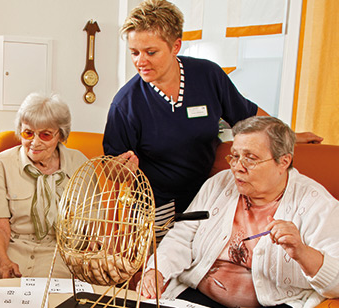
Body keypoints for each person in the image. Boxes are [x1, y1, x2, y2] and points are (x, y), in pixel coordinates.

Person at [103, 0, 323, 240]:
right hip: (157, 206)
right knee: (168, 264)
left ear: (176, 45)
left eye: (151, 52)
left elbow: (248, 117)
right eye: (134, 52)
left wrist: (288, 136)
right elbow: (114, 170)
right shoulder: (126, 104)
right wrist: (124, 171)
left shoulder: (208, 75)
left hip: (210, 196)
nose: (140, 61)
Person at [139, 116, 339, 308]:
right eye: (235, 156)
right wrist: (156, 272)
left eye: (250, 158)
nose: (237, 167)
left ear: (283, 161)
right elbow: (181, 237)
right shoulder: (220, 183)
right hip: (198, 297)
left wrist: (302, 252)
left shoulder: (317, 203)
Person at [0, 93, 88, 281]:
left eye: (45, 135)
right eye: (28, 133)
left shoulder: (81, 164)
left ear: (60, 135)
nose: (35, 142)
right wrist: (3, 261)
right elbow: (0, 226)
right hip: (12, 248)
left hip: (61, 254)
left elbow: (91, 225)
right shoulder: (1, 164)